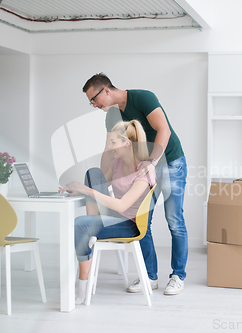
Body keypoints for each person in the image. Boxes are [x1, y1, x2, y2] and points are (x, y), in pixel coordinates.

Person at [82, 73, 188, 295]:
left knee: (174, 220)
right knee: (140, 221)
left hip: (169, 162)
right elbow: (109, 149)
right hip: (144, 166)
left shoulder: (143, 98)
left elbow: (164, 130)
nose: (94, 105)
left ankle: (178, 276)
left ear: (106, 90)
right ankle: (149, 277)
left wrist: (152, 162)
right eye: (91, 102)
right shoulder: (111, 115)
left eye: (94, 99)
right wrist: (101, 180)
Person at [60, 120, 155, 305]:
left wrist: (87, 191)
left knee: (80, 224)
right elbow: (99, 183)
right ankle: (91, 227)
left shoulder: (144, 171)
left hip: (131, 225)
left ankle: (82, 290)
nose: (110, 147)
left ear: (127, 143)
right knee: (93, 172)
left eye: (113, 143)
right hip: (115, 217)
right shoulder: (118, 164)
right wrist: (82, 190)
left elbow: (121, 205)